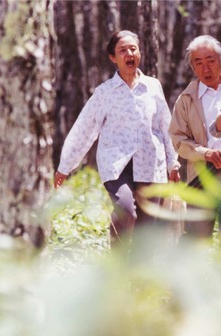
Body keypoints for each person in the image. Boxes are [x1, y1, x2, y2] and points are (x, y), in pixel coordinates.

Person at [54, 30, 180, 244]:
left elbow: (165, 125)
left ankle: (138, 274)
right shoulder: (105, 92)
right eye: (123, 50)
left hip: (150, 162)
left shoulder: (153, 86)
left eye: (133, 49)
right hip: (116, 164)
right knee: (125, 210)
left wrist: (173, 162)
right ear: (113, 58)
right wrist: (65, 166)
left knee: (147, 226)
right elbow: (85, 128)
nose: (129, 54)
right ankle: (117, 268)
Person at [169, 35, 221, 238]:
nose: (205, 68)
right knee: (195, 239)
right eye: (198, 63)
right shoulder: (186, 98)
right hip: (201, 175)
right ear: (193, 67)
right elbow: (178, 140)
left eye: (210, 60)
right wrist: (205, 153)